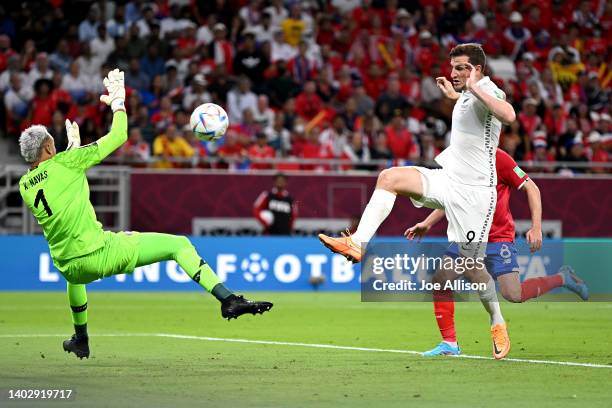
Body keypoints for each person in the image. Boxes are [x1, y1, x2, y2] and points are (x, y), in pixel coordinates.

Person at [18, 69, 272, 360]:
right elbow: (119, 135)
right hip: (100, 253)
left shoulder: (25, 184)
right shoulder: (67, 162)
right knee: (179, 246)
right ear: (50, 146)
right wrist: (118, 103)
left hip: (67, 264)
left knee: (75, 278)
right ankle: (228, 299)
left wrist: (72, 148)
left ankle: (81, 338)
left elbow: (57, 176)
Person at [318, 44, 517, 359]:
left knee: (472, 268)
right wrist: (459, 96)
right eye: (452, 67)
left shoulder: (490, 89)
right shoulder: (467, 93)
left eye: (462, 68)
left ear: (478, 69)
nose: (453, 73)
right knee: (389, 178)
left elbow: (508, 115)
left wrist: (473, 90)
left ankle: (496, 319)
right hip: (448, 180)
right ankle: (357, 243)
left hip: (476, 195)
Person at [405, 148, 589, 356]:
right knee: (440, 279)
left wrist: (536, 226)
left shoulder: (500, 159)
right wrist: (427, 223)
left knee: (513, 294)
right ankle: (449, 343)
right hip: (470, 235)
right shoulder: (464, 159)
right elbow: (456, 199)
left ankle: (562, 278)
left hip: (497, 238)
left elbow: (532, 188)